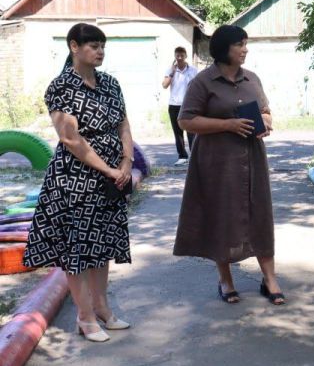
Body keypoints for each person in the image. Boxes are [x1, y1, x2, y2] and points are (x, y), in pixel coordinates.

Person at [23, 23, 134, 342]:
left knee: (102, 244)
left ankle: (103, 310)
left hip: (113, 175)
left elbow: (124, 125)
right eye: (93, 45)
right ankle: (84, 317)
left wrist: (125, 162)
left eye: (103, 46)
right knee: (78, 247)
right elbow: (71, 139)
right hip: (76, 180)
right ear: (74, 46)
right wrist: (110, 170)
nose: (100, 51)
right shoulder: (61, 86)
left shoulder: (110, 83)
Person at [173, 25, 283, 305]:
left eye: (246, 44)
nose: (245, 49)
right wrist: (228, 125)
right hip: (216, 162)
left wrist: (265, 123)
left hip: (252, 159)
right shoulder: (204, 82)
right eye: (240, 45)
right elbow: (185, 120)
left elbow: (266, 112)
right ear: (224, 49)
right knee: (221, 217)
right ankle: (225, 279)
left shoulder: (252, 79)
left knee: (260, 215)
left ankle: (270, 279)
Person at [161, 46, 198, 166]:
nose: (180, 57)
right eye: (177, 55)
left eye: (182, 55)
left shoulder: (193, 70)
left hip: (188, 105)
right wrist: (171, 73)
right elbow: (164, 85)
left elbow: (198, 86)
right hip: (174, 105)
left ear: (186, 56)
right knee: (178, 132)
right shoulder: (170, 70)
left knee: (191, 131)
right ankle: (182, 156)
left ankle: (194, 155)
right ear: (175, 56)